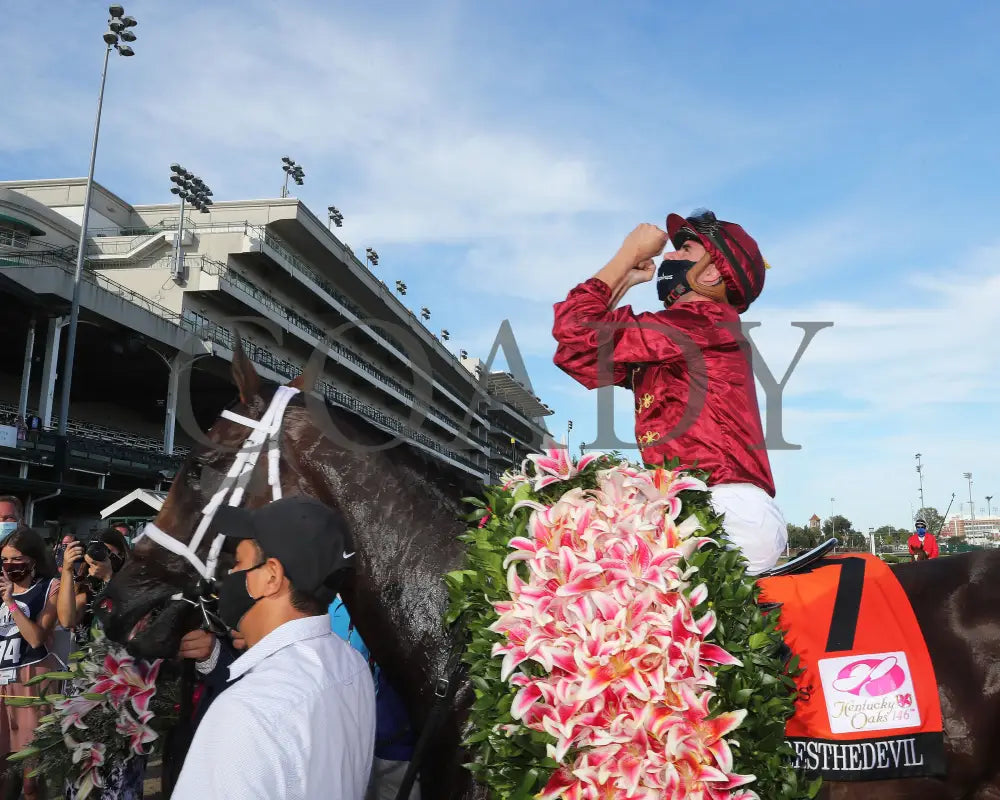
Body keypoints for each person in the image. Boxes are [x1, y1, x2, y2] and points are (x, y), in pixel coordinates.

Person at [552, 209, 786, 574]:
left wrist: (626, 255)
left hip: (723, 508)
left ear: (711, 272)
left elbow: (575, 325)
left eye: (685, 249)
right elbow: (577, 353)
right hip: (696, 503)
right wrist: (625, 281)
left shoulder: (700, 323)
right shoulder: (683, 334)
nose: (669, 256)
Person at [172, 496, 376, 800]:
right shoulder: (352, 664)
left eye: (239, 563)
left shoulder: (246, 713)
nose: (229, 576)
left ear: (271, 577)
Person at [0, 527, 62, 800]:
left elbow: (37, 638)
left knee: (30, 778)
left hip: (32, 681)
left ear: (34, 560)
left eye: (17, 559)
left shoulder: (50, 588)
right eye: (4, 560)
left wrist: (10, 603)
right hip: (2, 680)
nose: (9, 565)